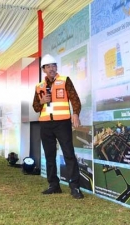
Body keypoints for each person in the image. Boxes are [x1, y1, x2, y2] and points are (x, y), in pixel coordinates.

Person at [32, 54, 84, 199]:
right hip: (45, 124)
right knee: (49, 155)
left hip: (62, 123)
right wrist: (41, 101)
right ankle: (53, 185)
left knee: (69, 154)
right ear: (43, 69)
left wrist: (76, 114)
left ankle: (75, 187)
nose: (52, 69)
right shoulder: (39, 86)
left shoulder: (65, 80)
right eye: (48, 66)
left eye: (54, 66)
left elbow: (75, 99)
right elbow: (36, 107)